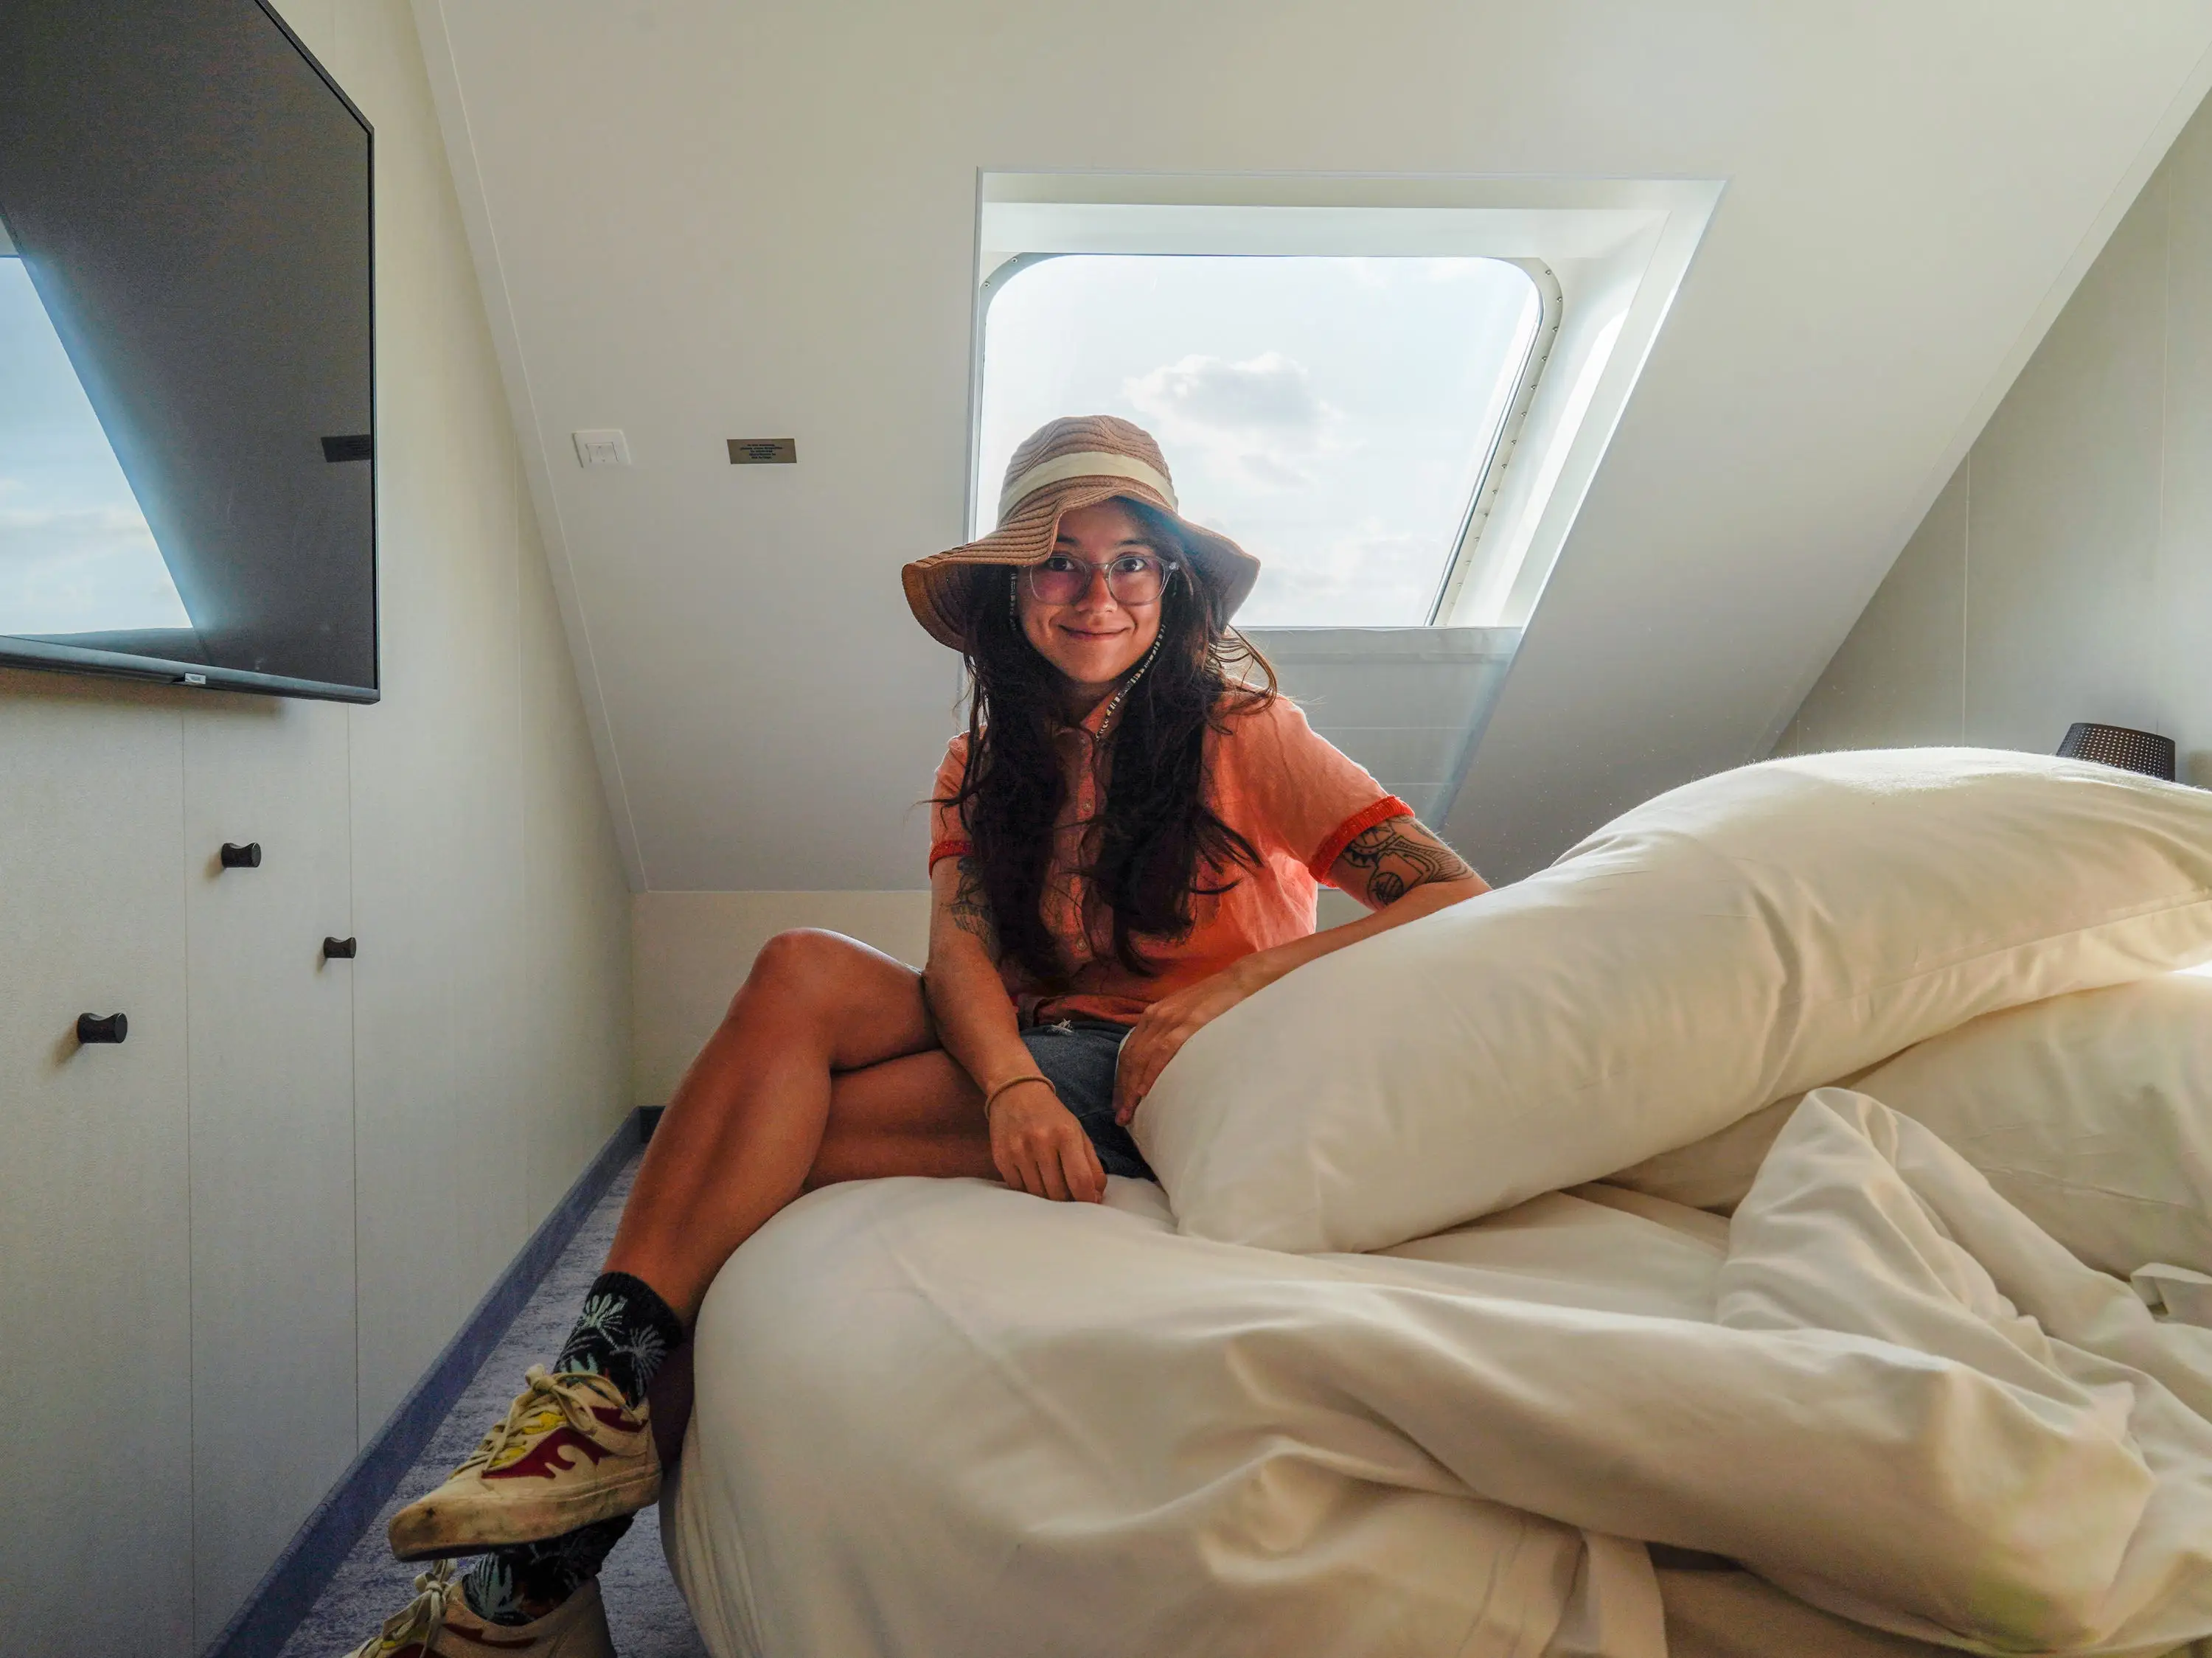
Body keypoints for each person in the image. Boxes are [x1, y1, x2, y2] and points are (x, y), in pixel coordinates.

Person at [344, 414, 1489, 1657]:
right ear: (1013, 591)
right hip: (1038, 1038)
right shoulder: (978, 760)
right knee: (799, 970)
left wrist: (1223, 996)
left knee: (748, 1173)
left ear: (1171, 585)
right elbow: (958, 955)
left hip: (1180, 1073)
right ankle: (595, 1403)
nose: (1096, 593)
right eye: (1060, 560)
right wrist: (1007, 1085)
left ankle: (532, 1584)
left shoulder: (1243, 730)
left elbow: (1451, 896)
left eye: (1131, 562)